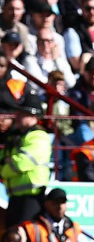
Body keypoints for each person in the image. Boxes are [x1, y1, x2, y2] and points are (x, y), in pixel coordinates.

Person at [0, 94, 50, 227]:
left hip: (32, 198)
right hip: (14, 197)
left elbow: (21, 163)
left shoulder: (39, 137)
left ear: (34, 116)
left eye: (23, 113)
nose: (17, 116)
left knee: (27, 234)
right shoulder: (15, 137)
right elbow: (3, 160)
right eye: (18, 113)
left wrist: (6, 168)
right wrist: (8, 162)